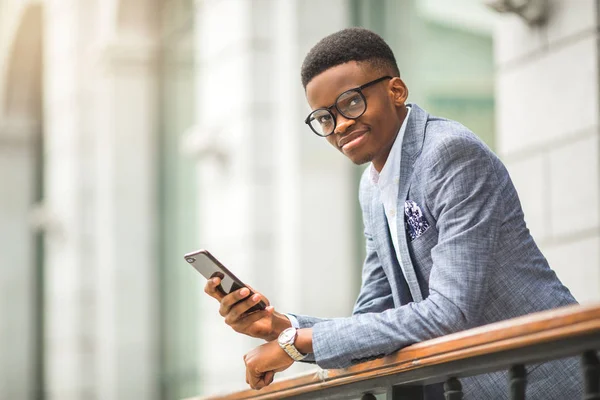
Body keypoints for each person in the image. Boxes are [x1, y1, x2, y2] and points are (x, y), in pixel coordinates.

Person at [204, 27, 582, 398]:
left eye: (351, 102)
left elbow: (450, 311)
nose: (340, 126)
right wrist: (281, 327)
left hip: (549, 378)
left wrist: (296, 343)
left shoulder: (450, 154)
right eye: (324, 118)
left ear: (396, 91)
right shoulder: (372, 186)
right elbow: (372, 315)